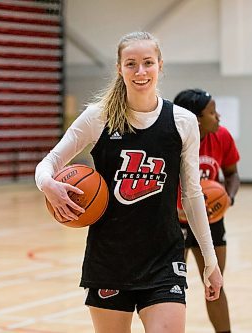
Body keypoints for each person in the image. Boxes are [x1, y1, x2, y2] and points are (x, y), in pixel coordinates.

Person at [35, 31, 223, 333]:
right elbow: (48, 164)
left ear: (160, 65)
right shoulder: (98, 118)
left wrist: (210, 260)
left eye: (148, 62)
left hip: (164, 259)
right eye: (131, 63)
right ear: (119, 68)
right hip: (110, 259)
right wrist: (48, 185)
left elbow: (192, 195)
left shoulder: (183, 122)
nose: (140, 71)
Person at [174, 89, 240, 333]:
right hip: (174, 222)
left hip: (211, 220)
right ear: (196, 119)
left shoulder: (221, 136)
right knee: (170, 287)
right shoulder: (171, 141)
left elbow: (232, 174)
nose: (218, 116)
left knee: (216, 284)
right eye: (212, 112)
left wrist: (228, 198)